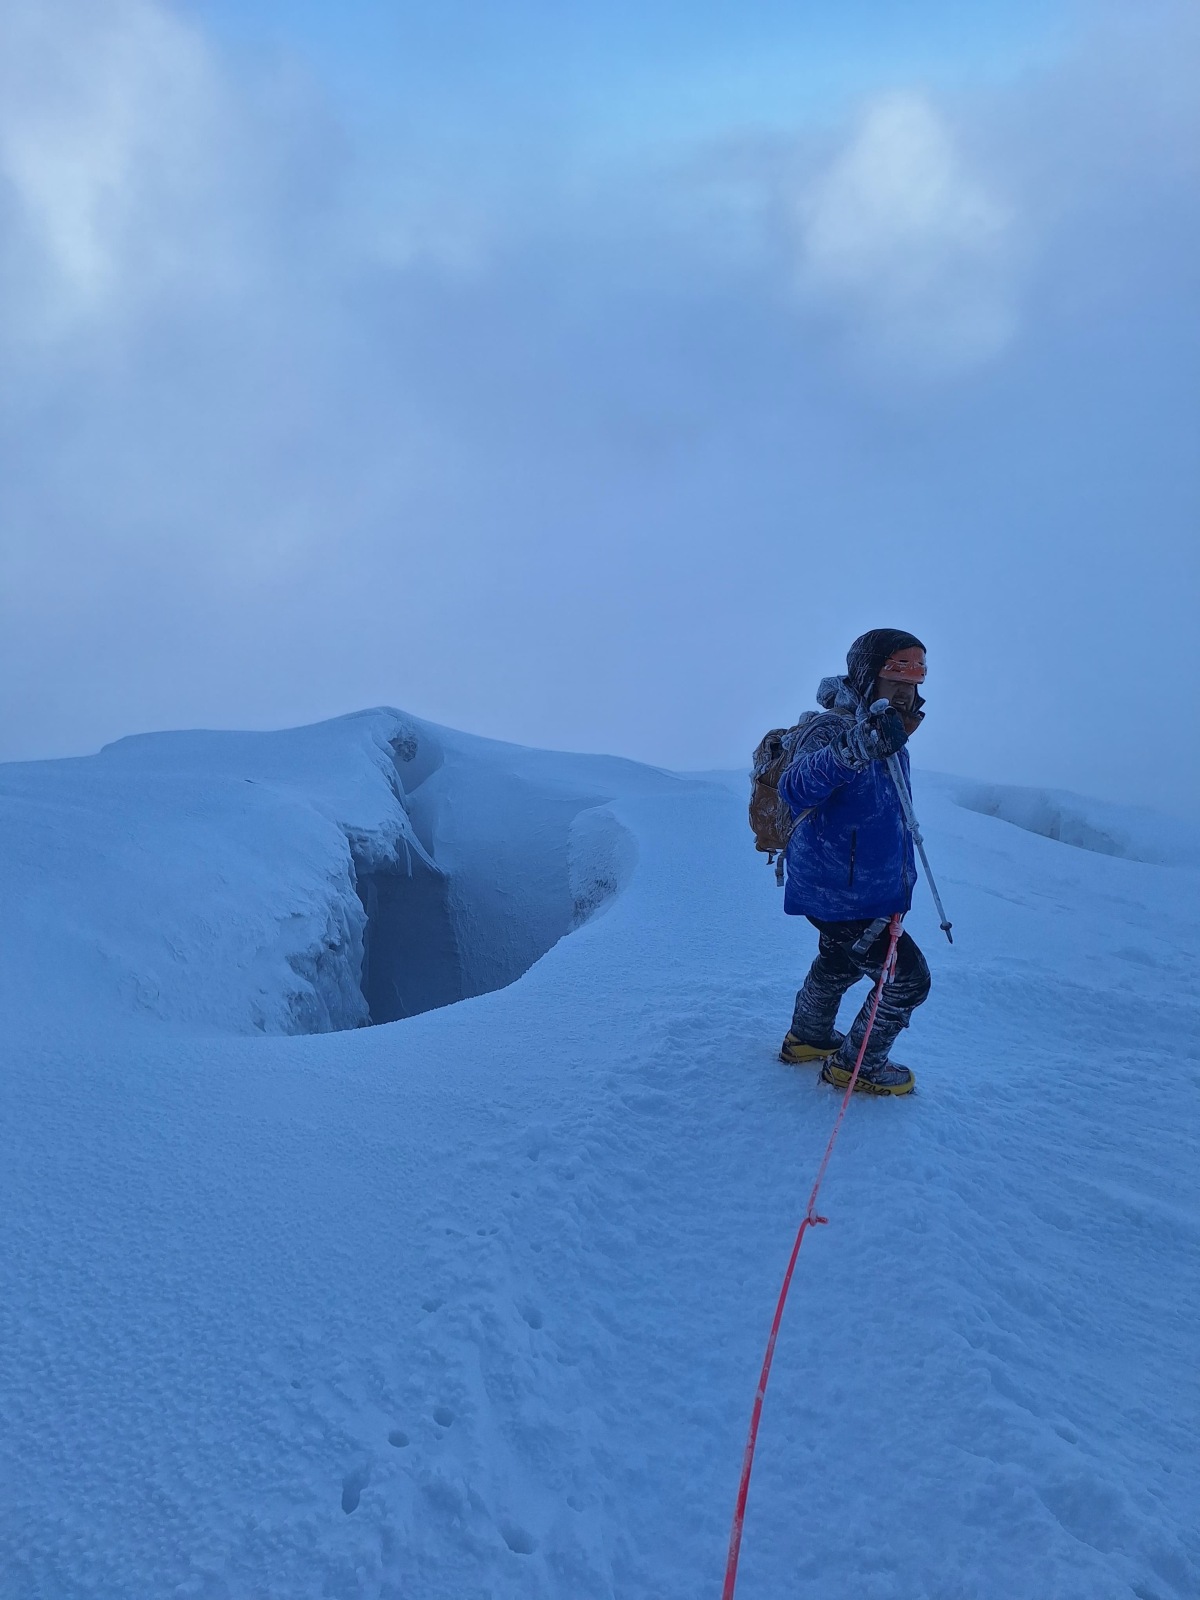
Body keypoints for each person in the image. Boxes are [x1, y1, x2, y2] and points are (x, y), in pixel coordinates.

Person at [775, 628, 931, 1096]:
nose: (908, 684)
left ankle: (808, 1037)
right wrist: (853, 748)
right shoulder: (834, 729)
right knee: (906, 981)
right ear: (867, 674)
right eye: (895, 671)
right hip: (841, 891)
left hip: (860, 887)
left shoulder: (888, 730)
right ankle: (856, 1066)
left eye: (917, 673)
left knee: (839, 962)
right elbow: (795, 785)